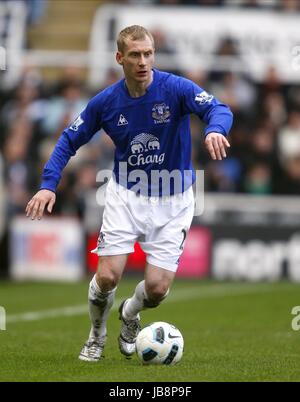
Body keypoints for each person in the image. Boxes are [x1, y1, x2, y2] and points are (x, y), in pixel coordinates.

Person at [25, 25, 233, 362]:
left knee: (157, 290)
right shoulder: (106, 102)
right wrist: (48, 184)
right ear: (120, 58)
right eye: (135, 55)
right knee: (107, 275)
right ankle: (96, 335)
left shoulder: (175, 88)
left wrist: (214, 130)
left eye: (148, 53)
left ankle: (131, 314)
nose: (143, 61)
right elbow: (68, 141)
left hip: (175, 198)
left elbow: (218, 108)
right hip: (126, 194)